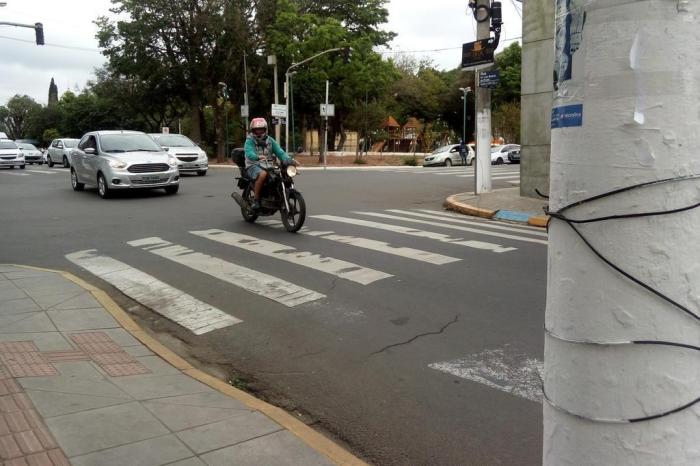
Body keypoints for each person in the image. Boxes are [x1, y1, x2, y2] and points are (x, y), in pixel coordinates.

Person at [244, 118, 293, 210]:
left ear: (265, 129)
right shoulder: (249, 140)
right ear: (253, 130)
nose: (259, 131)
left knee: (282, 174)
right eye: (257, 129)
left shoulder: (270, 140)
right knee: (263, 174)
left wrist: (289, 159)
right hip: (253, 165)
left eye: (261, 129)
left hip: (268, 165)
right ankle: (256, 200)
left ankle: (278, 196)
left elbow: (280, 152)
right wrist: (257, 157)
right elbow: (249, 153)